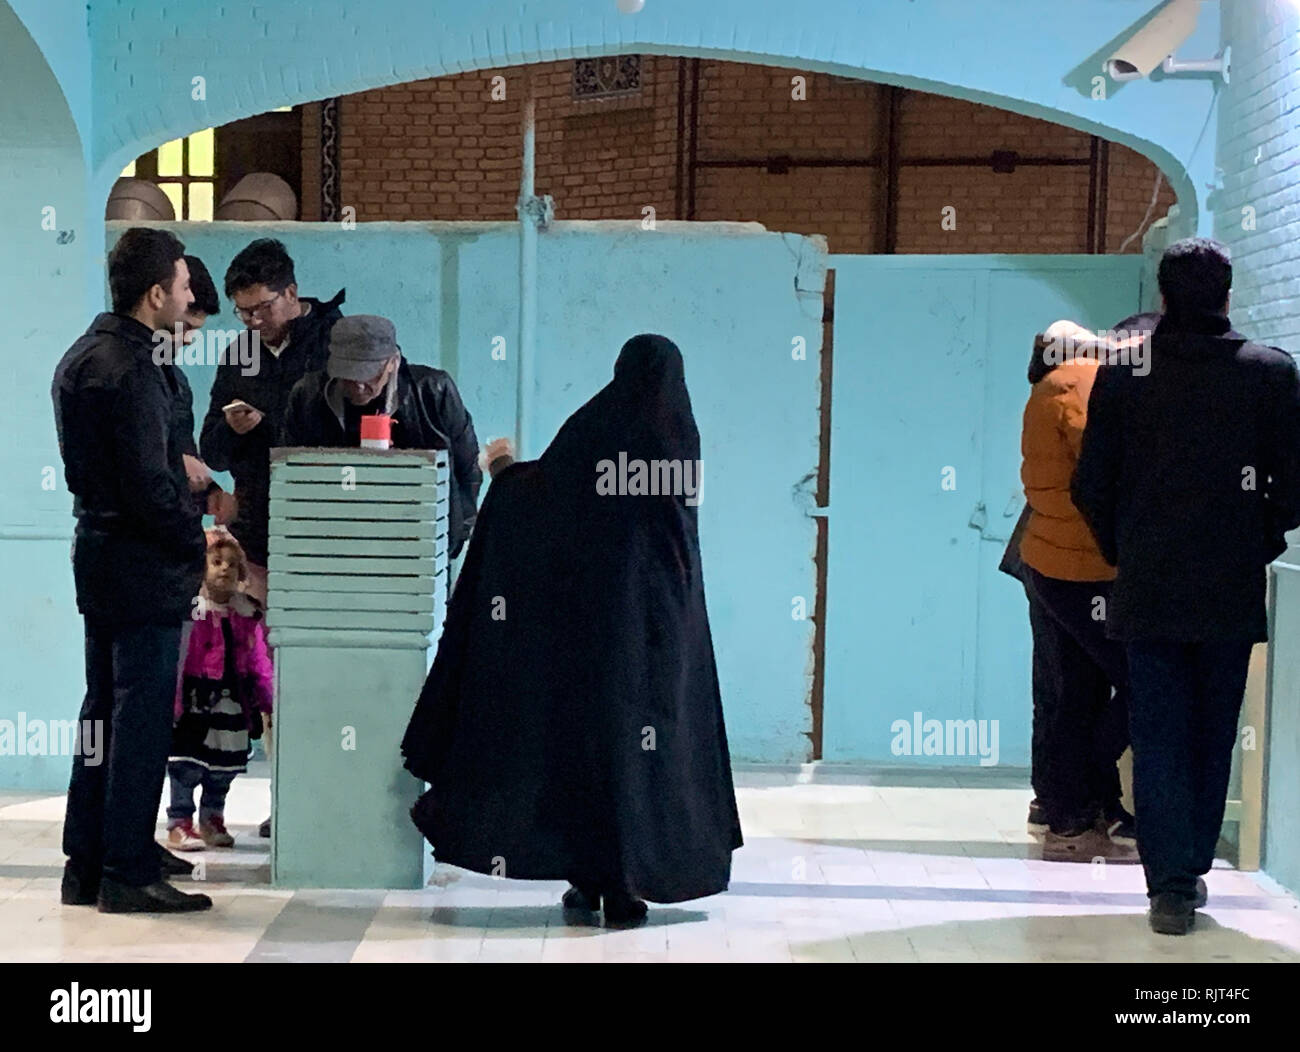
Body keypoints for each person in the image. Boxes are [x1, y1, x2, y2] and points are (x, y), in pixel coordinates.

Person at [401, 334, 743, 927]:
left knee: (581, 752)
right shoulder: (678, 438)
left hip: (591, 641)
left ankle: (590, 880)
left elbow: (543, 499)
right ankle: (626, 884)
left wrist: (502, 471)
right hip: (661, 637)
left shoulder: (599, 425)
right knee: (643, 757)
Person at [1073, 238, 1300, 935]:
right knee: (1213, 731)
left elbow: (1091, 484)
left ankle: (1168, 882)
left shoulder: (1124, 375)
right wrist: (1258, 540)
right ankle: (1190, 866)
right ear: (1228, 295)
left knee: (1159, 730)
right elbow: (1290, 487)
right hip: (1228, 584)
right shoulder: (1268, 373)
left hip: (1148, 583)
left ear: (1164, 297)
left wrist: (1127, 549)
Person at [52, 227, 212, 913]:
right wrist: (193, 541)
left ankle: (86, 861)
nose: (186, 296)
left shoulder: (80, 357)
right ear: (156, 295)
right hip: (145, 564)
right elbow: (153, 484)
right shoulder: (136, 369)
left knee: (101, 714)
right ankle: (127, 870)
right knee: (141, 719)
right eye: (181, 284)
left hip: (97, 553)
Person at [1018, 320, 1137, 862]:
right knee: (1143, 680)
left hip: (1051, 561)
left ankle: (1068, 812)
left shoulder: (1050, 383)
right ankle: (1083, 789)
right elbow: (1104, 468)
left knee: (1073, 692)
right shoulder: (1077, 384)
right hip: (1085, 566)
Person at [200, 239, 345, 603]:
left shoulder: (337, 345)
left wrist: (270, 426)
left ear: (291, 293)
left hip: (326, 522)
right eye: (243, 312)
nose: (254, 320)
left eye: (263, 307)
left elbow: (348, 435)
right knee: (259, 648)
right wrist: (231, 430)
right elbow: (212, 453)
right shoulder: (240, 352)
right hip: (255, 529)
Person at [280, 315, 483, 558]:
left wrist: (456, 534)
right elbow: (289, 473)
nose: (358, 386)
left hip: (420, 539)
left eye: (369, 375)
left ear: (393, 362)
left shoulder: (433, 391)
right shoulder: (308, 396)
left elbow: (467, 467)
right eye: (348, 375)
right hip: (335, 540)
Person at [166, 530, 274, 852]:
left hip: (232, 703)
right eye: (216, 562)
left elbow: (258, 660)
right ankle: (180, 820)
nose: (223, 569)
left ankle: (212, 817)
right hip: (195, 700)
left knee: (223, 768)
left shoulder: (246, 615)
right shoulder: (192, 611)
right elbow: (180, 655)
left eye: (230, 564)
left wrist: (269, 697)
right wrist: (172, 699)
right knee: (186, 764)